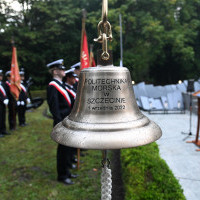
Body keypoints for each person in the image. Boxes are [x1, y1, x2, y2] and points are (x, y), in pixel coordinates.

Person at [47, 59, 78, 185]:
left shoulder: (60, 85)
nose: (64, 71)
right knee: (63, 150)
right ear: (55, 71)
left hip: (68, 121)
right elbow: (54, 108)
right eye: (61, 69)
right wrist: (60, 124)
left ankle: (67, 171)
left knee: (67, 149)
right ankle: (62, 175)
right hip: (62, 123)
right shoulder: (52, 86)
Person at [0, 70, 10, 137]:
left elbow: (6, 92)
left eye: (1, 75)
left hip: (3, 103)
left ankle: (3, 130)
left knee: (3, 117)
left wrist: (6, 99)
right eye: (0, 75)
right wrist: (3, 99)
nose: (1, 77)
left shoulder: (3, 84)